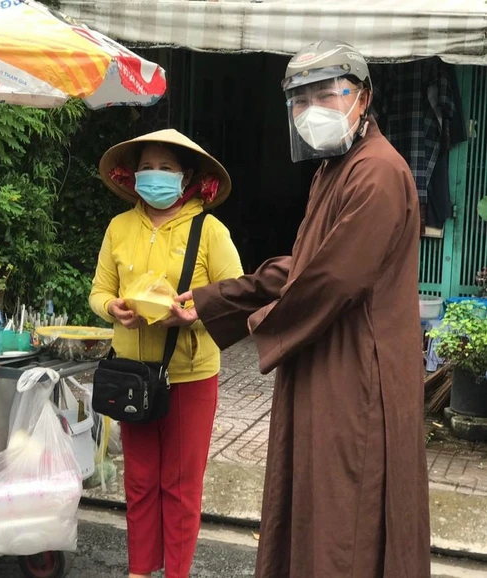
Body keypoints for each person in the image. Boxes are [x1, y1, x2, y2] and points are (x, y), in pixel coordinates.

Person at [163, 41, 431, 578]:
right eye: (301, 99)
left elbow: (331, 279)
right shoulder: (336, 168)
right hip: (327, 365)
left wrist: (262, 323)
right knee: (315, 507)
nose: (314, 110)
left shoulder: (376, 172)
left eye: (327, 94)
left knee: (347, 519)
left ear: (363, 97)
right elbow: (303, 264)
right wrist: (218, 299)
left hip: (358, 376)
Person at [89, 129, 244, 578]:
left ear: (188, 177)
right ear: (133, 175)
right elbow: (99, 291)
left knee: (179, 485)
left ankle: (176, 573)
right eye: (147, 167)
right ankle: (139, 571)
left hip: (190, 376)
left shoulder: (209, 230)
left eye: (166, 168)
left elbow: (234, 294)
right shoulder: (118, 228)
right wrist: (112, 308)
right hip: (131, 374)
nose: (155, 176)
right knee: (139, 481)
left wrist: (192, 314)